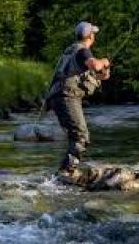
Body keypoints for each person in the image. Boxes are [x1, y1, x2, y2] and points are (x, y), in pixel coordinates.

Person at [46, 21, 111, 172]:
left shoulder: (70, 51)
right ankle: (65, 173)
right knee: (81, 137)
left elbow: (96, 75)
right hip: (66, 97)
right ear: (89, 36)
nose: (94, 36)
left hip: (58, 97)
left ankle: (64, 173)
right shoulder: (83, 51)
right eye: (93, 33)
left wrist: (104, 72)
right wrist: (104, 62)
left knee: (75, 137)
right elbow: (95, 65)